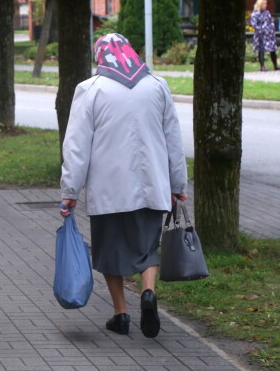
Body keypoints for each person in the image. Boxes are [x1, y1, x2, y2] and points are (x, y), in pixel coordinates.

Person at [60, 33, 187, 338]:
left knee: (109, 251)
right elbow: (173, 140)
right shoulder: (157, 86)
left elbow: (77, 146)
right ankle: (148, 292)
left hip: (109, 189)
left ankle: (121, 314)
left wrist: (70, 191)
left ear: (100, 57)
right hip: (151, 185)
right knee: (147, 248)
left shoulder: (90, 90)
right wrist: (178, 183)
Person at [250, 0, 280, 71]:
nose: (266, 5)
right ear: (260, 5)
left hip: (269, 35)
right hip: (260, 35)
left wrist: (270, 28)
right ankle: (262, 66)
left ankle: (276, 65)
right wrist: (262, 29)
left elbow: (271, 22)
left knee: (273, 49)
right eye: (264, 4)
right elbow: (254, 24)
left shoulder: (267, 12)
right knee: (261, 49)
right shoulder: (255, 14)